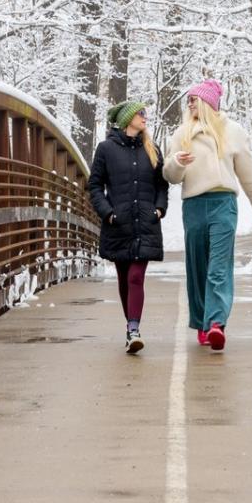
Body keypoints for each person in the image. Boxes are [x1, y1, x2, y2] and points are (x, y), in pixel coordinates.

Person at [163, 79, 252, 351]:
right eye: (188, 100)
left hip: (223, 203)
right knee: (197, 266)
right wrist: (176, 163)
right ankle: (201, 322)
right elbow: (170, 176)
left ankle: (216, 324)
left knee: (218, 267)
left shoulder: (233, 132)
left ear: (209, 102)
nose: (189, 104)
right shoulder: (181, 134)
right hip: (194, 205)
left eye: (194, 99)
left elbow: (248, 172)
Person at [88, 100, 169, 353]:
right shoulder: (105, 149)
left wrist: (158, 209)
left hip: (145, 223)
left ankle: (134, 329)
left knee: (135, 276)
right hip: (119, 224)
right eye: (140, 113)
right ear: (127, 119)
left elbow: (162, 185)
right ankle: (130, 328)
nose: (145, 117)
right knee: (124, 278)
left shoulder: (152, 148)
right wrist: (108, 213)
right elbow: (94, 186)